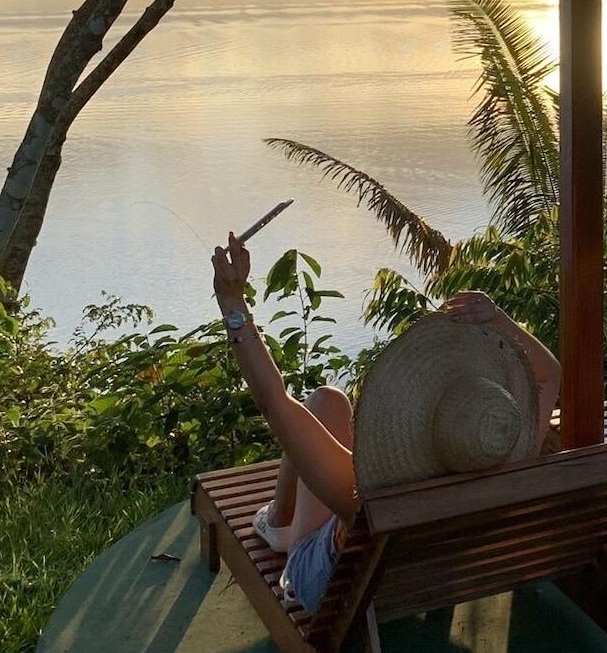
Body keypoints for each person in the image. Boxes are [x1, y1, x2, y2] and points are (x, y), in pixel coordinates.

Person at [209, 232, 560, 614]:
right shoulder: (508, 451)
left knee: (317, 408)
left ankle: (284, 528)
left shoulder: (364, 493)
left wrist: (233, 302)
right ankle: (279, 521)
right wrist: (499, 320)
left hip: (342, 589)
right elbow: (549, 375)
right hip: (435, 578)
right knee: (329, 400)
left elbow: (273, 400)